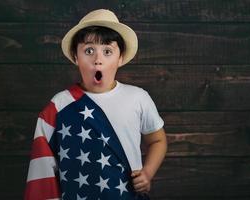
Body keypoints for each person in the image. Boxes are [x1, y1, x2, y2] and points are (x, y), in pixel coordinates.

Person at [24, 9, 167, 200]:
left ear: (120, 58)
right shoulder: (59, 105)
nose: (98, 60)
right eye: (89, 51)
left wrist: (148, 172)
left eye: (107, 51)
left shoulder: (138, 98)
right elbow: (43, 162)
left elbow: (158, 140)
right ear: (76, 57)